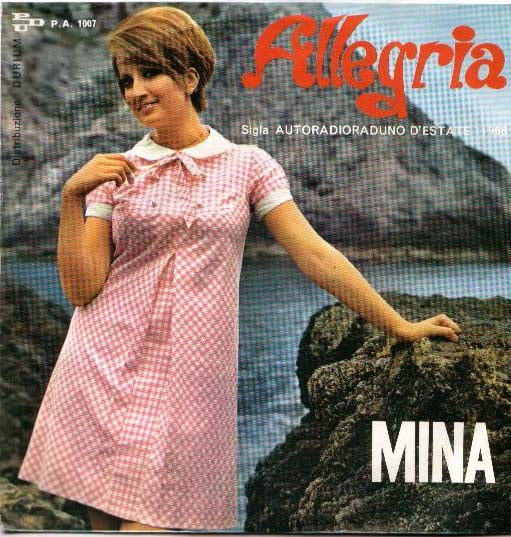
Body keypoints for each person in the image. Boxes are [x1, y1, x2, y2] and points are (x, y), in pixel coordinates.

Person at [17, 6, 461, 533]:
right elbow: (82, 288)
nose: (135, 91)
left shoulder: (249, 164)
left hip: (190, 382)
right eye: (126, 81)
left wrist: (399, 325)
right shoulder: (114, 172)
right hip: (98, 367)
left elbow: (313, 253)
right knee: (107, 525)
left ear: (190, 77)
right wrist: (72, 196)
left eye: (149, 73)